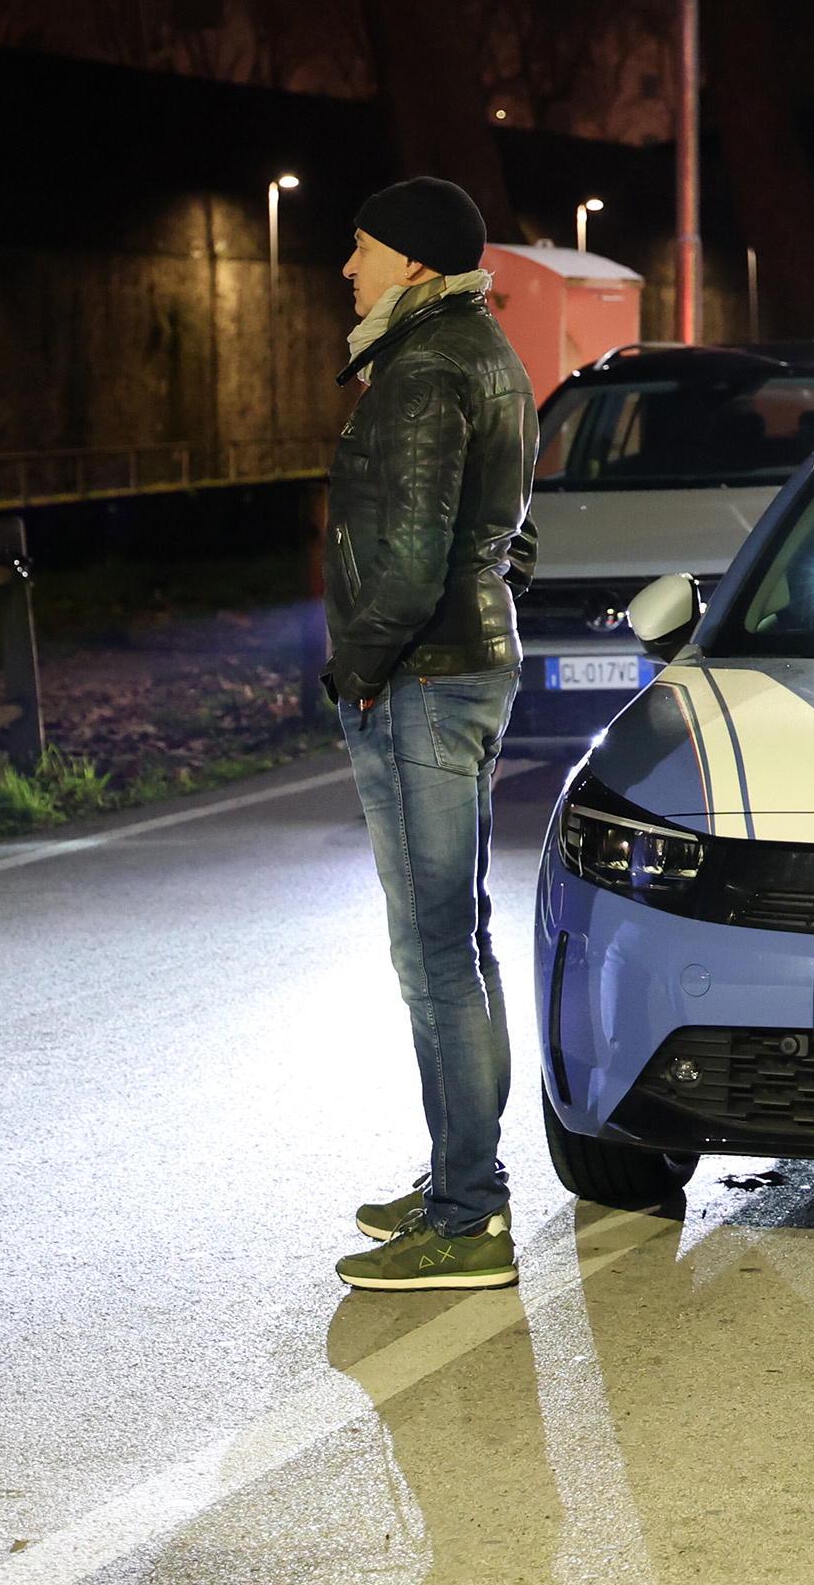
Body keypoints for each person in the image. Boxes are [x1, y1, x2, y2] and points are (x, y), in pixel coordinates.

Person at [321, 177, 538, 1292]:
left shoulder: (420, 369)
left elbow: (407, 562)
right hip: (473, 666)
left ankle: (468, 1215)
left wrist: (354, 670)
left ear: (410, 262)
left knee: (433, 955)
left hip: (418, 679)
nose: (345, 266)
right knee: (465, 938)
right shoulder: (490, 349)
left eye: (359, 248)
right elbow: (513, 537)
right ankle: (464, 1172)